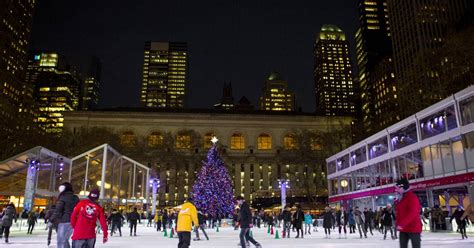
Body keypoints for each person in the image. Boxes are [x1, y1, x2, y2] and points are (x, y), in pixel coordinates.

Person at [395, 178, 421, 248]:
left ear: (403, 187)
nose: (396, 190)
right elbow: (400, 213)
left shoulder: (412, 197)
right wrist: (398, 224)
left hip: (413, 228)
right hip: (403, 229)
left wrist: (402, 224)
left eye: (398, 188)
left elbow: (413, 213)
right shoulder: (401, 198)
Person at [52, 182, 79, 248]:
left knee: (61, 241)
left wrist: (51, 220)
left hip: (64, 221)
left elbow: (57, 210)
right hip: (73, 222)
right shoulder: (76, 198)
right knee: (65, 240)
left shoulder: (63, 197)